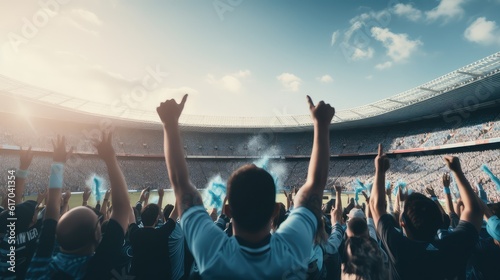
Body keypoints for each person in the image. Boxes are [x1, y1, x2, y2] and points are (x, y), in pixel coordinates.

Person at [157, 94, 334, 279]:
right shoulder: (292, 249)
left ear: (228, 210)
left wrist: (169, 124)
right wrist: (321, 124)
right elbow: (314, 186)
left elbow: (180, 183)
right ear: (275, 210)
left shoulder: (212, 253)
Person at [26, 133, 132, 279]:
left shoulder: (39, 265)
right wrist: (110, 158)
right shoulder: (94, 270)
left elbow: (51, 209)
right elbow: (122, 208)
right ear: (96, 235)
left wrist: (58, 163)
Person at [369, 144, 483, 280]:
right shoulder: (454, 246)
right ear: (440, 220)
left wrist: (380, 171)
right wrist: (457, 172)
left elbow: (375, 206)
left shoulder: (399, 249)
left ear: (402, 223)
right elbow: (474, 210)